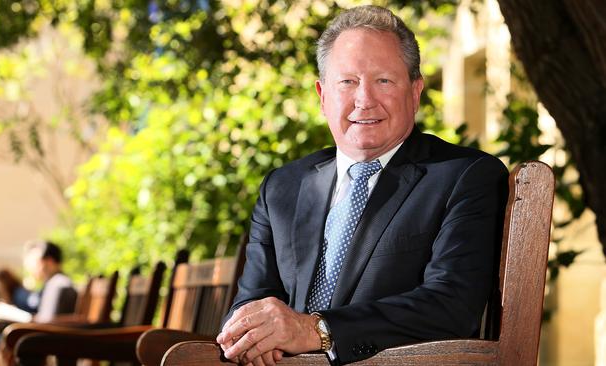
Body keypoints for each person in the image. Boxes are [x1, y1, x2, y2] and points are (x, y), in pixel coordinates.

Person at [216, 5, 508, 366]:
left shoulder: (465, 176)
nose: (364, 99)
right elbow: (251, 302)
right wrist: (258, 334)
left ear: (415, 92)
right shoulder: (282, 188)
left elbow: (452, 304)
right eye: (347, 82)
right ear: (323, 96)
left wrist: (314, 331)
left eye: (383, 80)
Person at [22, 241, 77, 323]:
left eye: (36, 261)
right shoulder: (56, 282)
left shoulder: (58, 284)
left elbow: (50, 322)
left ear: (50, 261)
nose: (32, 266)